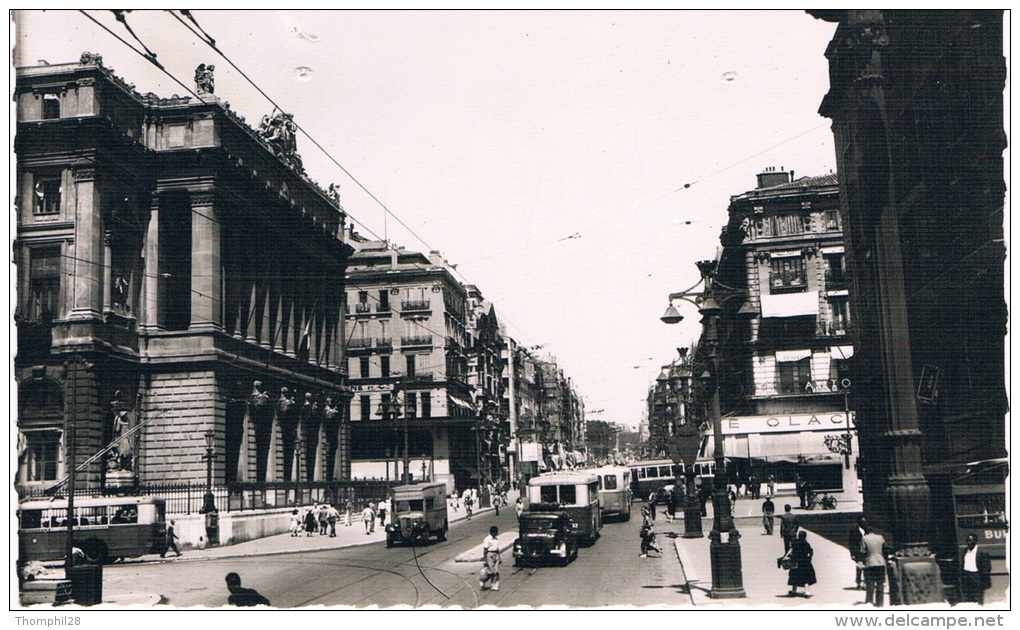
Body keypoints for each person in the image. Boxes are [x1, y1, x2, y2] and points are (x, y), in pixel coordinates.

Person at [861, 524, 890, 607]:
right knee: (880, 583)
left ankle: (869, 602)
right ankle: (880, 603)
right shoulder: (880, 537)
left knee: (870, 583)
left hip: (870, 563)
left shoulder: (864, 538)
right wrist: (885, 559)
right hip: (881, 562)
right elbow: (885, 549)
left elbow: (863, 551)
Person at [960, 533, 992, 605]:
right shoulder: (964, 551)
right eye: (967, 541)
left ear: (975, 541)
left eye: (971, 541)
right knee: (968, 598)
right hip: (966, 576)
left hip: (977, 576)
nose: (969, 543)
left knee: (978, 598)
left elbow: (987, 567)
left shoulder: (982, 553)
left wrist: (982, 577)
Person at [784, 530, 817, 597]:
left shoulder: (795, 542)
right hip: (804, 562)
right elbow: (810, 552)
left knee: (794, 576)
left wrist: (785, 556)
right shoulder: (806, 544)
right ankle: (807, 592)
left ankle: (794, 590)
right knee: (805, 577)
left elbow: (791, 549)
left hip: (796, 561)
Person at [480, 526, 501, 591]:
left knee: (496, 571)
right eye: (496, 532)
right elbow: (485, 550)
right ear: (492, 532)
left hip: (496, 555)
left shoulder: (496, 539)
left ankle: (494, 585)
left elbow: (497, 548)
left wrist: (499, 557)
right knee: (491, 571)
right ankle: (483, 580)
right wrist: (485, 559)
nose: (497, 533)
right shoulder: (487, 539)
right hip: (490, 555)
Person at [849, 516, 868, 589]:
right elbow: (851, 543)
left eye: (865, 522)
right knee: (859, 568)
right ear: (859, 523)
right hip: (858, 552)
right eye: (863, 522)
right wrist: (852, 554)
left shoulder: (867, 530)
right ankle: (858, 582)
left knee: (866, 568)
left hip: (866, 551)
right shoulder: (853, 530)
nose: (865, 524)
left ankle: (865, 583)